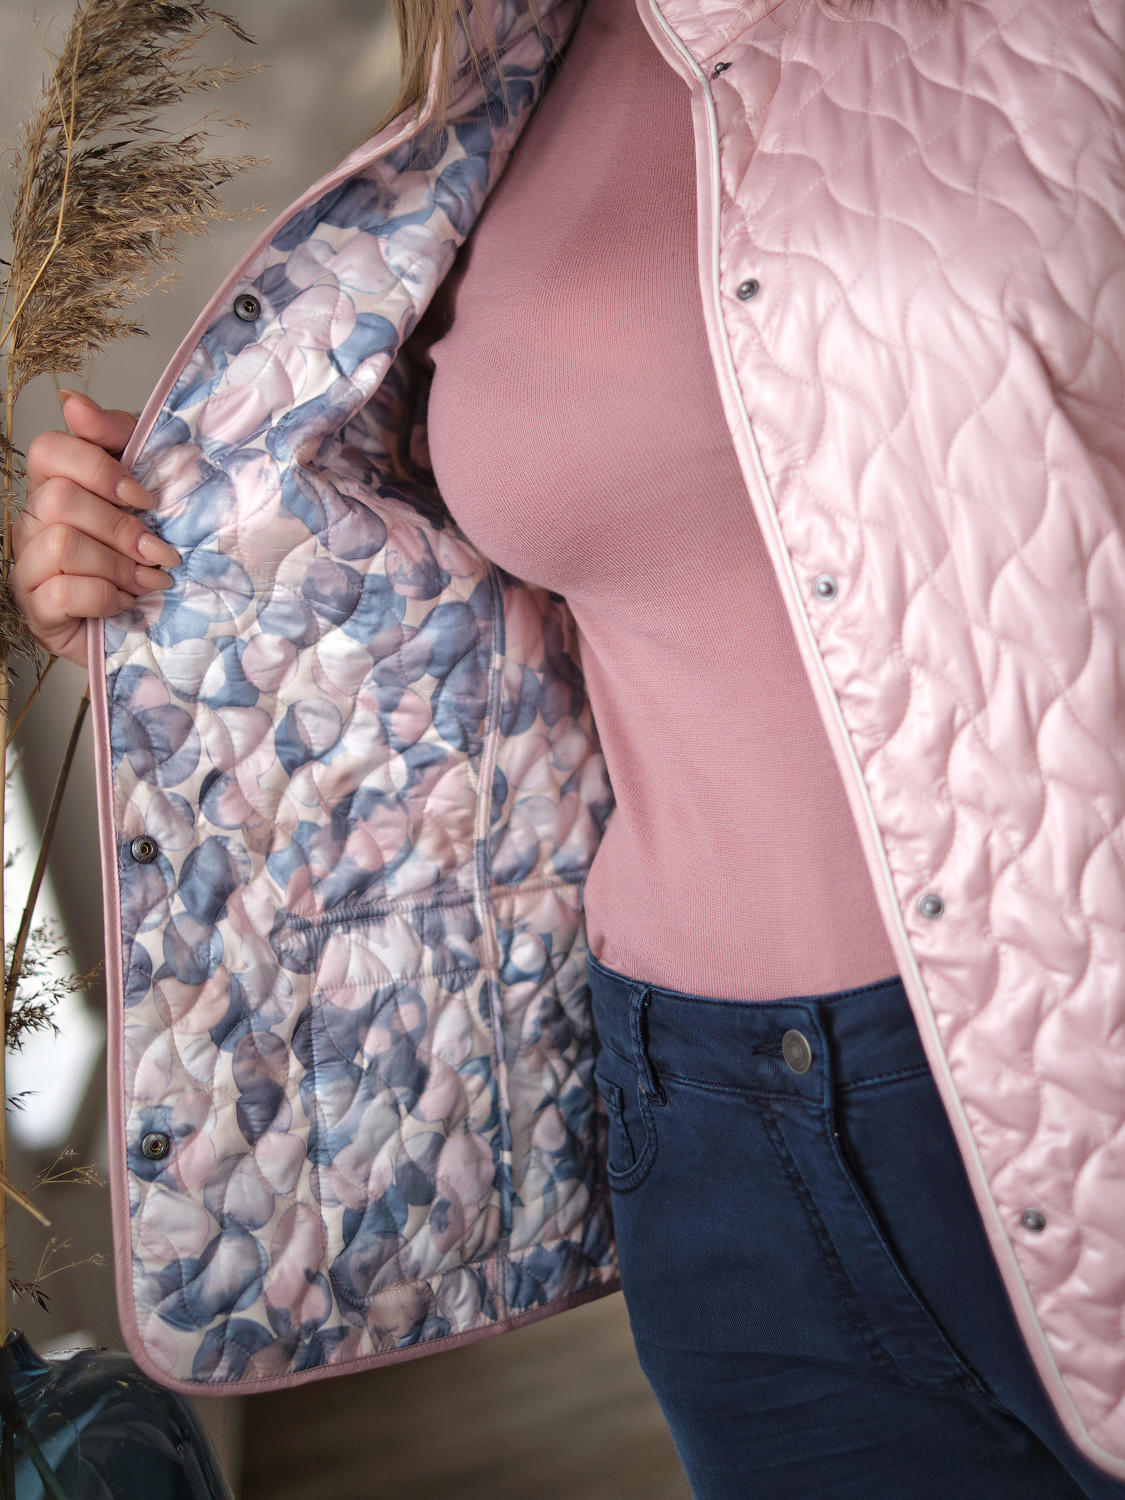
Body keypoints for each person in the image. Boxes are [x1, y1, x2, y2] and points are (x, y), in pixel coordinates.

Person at [10, 0, 1125, 1495]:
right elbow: (462, 590)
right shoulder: (489, 102)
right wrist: (157, 558)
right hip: (703, 1118)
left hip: (1068, 1022)